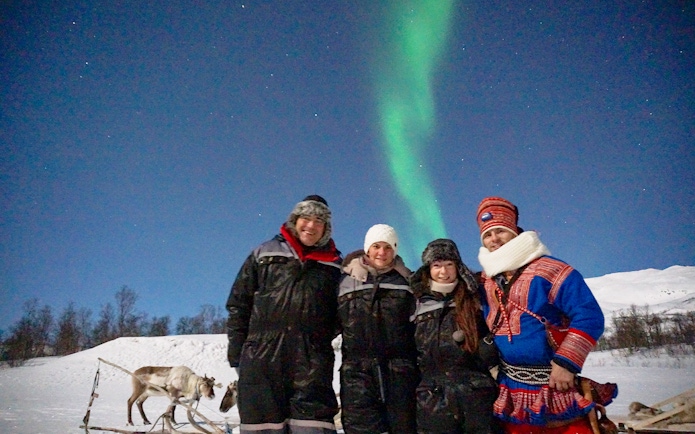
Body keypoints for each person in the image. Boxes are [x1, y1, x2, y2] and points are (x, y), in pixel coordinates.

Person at [475, 196, 609, 434]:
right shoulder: (485, 281)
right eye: (487, 234)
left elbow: (589, 316)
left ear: (515, 231)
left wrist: (566, 363)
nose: (494, 239)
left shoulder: (551, 270)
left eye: (500, 231)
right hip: (509, 385)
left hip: (555, 382)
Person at [226, 195, 343, 434]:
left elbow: (341, 315)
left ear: (326, 228)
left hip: (311, 364)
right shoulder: (264, 253)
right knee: (263, 427)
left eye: (319, 221)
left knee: (311, 427)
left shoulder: (335, 266)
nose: (311, 226)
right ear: (294, 220)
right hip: (261, 359)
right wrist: (239, 352)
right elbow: (240, 303)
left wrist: (315, 341)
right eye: (306, 218)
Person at [410, 238, 500, 433]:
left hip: (477, 394)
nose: (443, 272)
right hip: (432, 398)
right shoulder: (415, 302)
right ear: (428, 269)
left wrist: (489, 348)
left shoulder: (476, 296)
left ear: (458, 266)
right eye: (437, 265)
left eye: (449, 264)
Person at [338, 224, 419, 434]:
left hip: (400, 371)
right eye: (376, 246)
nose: (381, 253)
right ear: (367, 249)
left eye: (387, 247)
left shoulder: (408, 283)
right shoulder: (345, 281)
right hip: (357, 373)